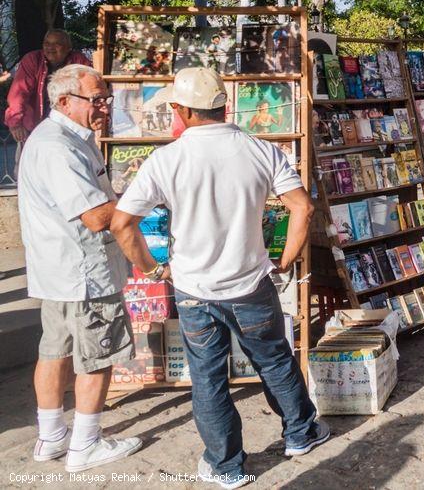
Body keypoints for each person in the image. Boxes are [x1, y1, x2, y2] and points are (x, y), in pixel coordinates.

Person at [110, 68, 325, 487]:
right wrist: (284, 260)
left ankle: (226, 467)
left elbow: (122, 224)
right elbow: (303, 208)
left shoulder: (166, 159)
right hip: (251, 284)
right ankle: (301, 434)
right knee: (275, 360)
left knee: (207, 378)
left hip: (193, 289)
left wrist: (153, 268)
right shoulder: (261, 150)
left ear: (182, 110)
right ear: (224, 104)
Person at [18, 64, 141, 471]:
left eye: (107, 98)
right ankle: (85, 444)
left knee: (56, 351)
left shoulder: (69, 137)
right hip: (83, 272)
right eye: (97, 99)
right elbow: (95, 216)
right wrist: (142, 202)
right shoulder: (59, 146)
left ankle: (51, 437)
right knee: (96, 355)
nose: (105, 106)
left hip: (62, 270)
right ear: (65, 101)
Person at [5, 29, 91, 143]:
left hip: (69, 127)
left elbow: (90, 89)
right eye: (47, 43)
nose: (50, 47)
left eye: (57, 44)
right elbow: (19, 93)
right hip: (34, 126)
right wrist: (15, 122)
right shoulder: (32, 60)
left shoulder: (79, 60)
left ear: (68, 48)